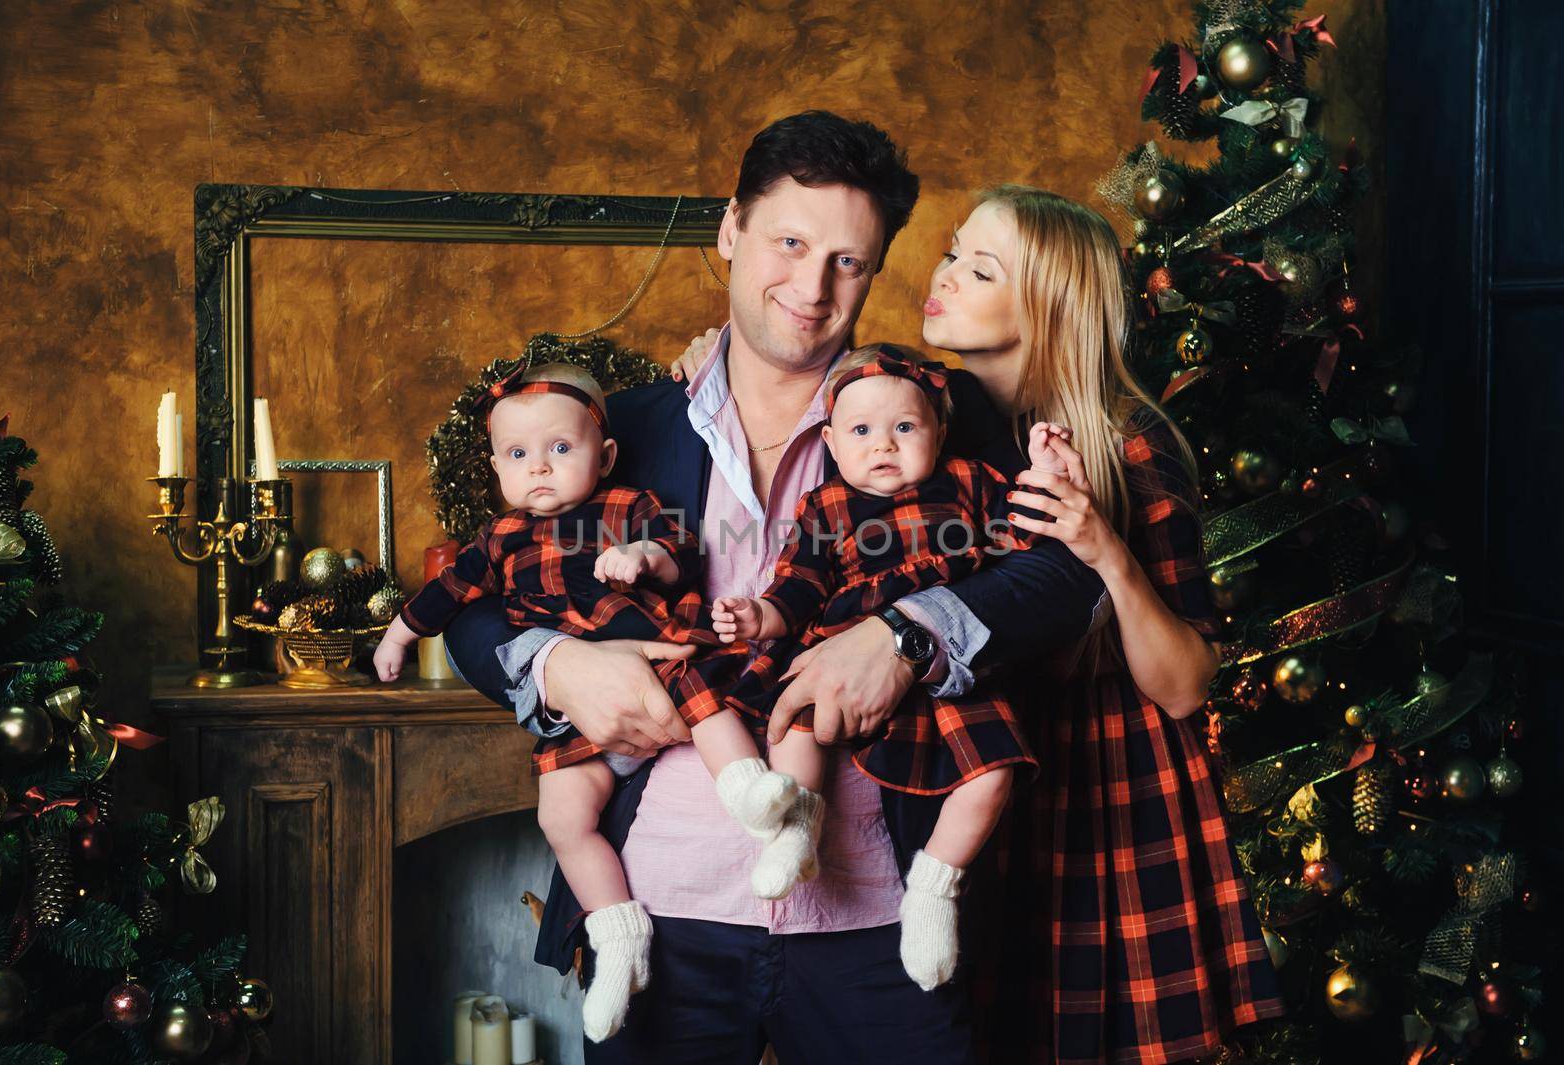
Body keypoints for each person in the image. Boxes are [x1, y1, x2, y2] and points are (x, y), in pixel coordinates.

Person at [444, 113, 1107, 1063]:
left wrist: (906, 634)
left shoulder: (920, 418)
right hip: (658, 911)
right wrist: (555, 669)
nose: (812, 286)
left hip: (882, 918)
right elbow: (475, 593)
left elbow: (1061, 569)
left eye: (849, 260)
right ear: (729, 231)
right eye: (789, 243)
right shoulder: (614, 425)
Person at [674, 185, 1285, 1062]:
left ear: (1046, 305)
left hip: (1106, 779)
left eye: (980, 268)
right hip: (978, 768)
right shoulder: (940, 428)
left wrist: (1104, 550)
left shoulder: (1124, 439)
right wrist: (712, 357)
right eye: (954, 250)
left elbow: (1190, 681)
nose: (943, 274)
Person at [370, 361, 805, 1042]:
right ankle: (617, 930)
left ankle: (759, 801)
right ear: (495, 466)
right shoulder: (498, 539)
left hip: (656, 658)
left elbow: (680, 550)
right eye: (518, 455)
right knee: (562, 815)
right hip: (583, 714)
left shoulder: (624, 506)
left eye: (560, 449)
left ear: (602, 457)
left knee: (709, 708)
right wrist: (399, 633)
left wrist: (640, 558)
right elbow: (448, 595)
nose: (539, 468)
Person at [709, 343, 1064, 991]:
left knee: (994, 774)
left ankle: (933, 887)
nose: (884, 446)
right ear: (832, 442)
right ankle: (796, 827)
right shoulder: (824, 506)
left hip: (943, 662)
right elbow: (800, 585)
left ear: (938, 431)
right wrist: (762, 617)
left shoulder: (965, 481)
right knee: (795, 721)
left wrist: (1043, 471)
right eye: (862, 431)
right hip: (841, 644)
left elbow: (1027, 537)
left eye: (905, 427)